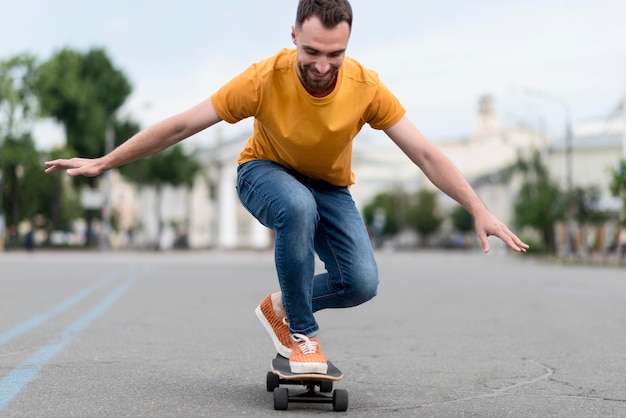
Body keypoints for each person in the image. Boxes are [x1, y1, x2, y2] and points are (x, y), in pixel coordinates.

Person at [45, 0, 529, 374]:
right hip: (263, 172)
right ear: (294, 35)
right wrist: (107, 161)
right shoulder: (263, 78)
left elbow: (424, 153)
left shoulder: (366, 87)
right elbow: (181, 126)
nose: (322, 66)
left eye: (335, 55)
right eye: (312, 52)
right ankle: (301, 333)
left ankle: (279, 306)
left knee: (361, 282)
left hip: (329, 187)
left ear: (349, 45)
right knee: (296, 206)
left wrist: (477, 207)